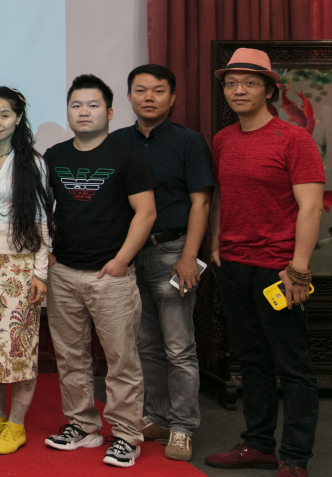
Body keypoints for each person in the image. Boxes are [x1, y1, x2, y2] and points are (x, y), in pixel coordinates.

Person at [205, 49, 322, 477]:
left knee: (292, 366)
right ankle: (258, 444)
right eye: (231, 83)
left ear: (270, 90)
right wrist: (216, 243)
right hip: (234, 266)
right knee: (252, 361)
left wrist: (299, 268)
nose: (239, 90)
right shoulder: (223, 140)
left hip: (279, 270)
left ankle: (295, 457)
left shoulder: (294, 139)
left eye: (250, 83)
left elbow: (311, 207)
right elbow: (222, 194)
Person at [43, 74, 155, 468]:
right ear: (68, 112)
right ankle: (83, 426)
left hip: (111, 277)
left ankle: (126, 435)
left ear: (108, 112)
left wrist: (121, 260)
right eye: (76, 105)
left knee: (121, 360)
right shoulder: (53, 156)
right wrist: (48, 256)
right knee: (70, 357)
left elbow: (146, 213)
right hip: (64, 273)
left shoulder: (127, 157)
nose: (84, 112)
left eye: (92, 105)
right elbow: (40, 211)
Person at [112, 64, 213, 462]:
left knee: (179, 347)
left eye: (157, 91)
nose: (149, 97)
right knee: (146, 345)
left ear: (172, 98)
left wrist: (189, 257)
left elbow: (201, 202)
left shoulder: (188, 142)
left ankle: (183, 426)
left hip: (173, 253)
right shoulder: (117, 142)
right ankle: (156, 416)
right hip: (130, 256)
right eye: (140, 90)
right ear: (129, 97)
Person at [0, 87, 53, 456]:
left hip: (19, 267)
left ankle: (16, 425)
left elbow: (42, 221)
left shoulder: (33, 163)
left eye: (4, 114)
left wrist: (41, 272)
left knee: (19, 348)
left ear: (18, 118)